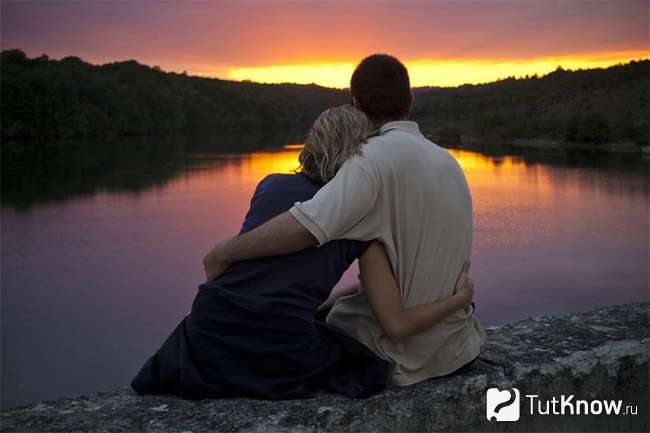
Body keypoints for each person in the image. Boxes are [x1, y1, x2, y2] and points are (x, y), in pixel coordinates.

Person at [132, 105, 474, 400]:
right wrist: (459, 299)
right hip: (276, 346)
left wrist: (324, 303)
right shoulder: (360, 216)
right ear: (362, 154)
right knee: (364, 364)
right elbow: (396, 324)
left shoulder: (270, 185)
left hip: (207, 329)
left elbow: (272, 274)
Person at [203, 54, 488, 386]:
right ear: (410, 99)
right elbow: (401, 273)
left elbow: (306, 225)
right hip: (457, 347)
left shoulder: (369, 161)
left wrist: (225, 252)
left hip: (404, 358)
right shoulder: (448, 161)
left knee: (299, 338)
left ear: (355, 104)